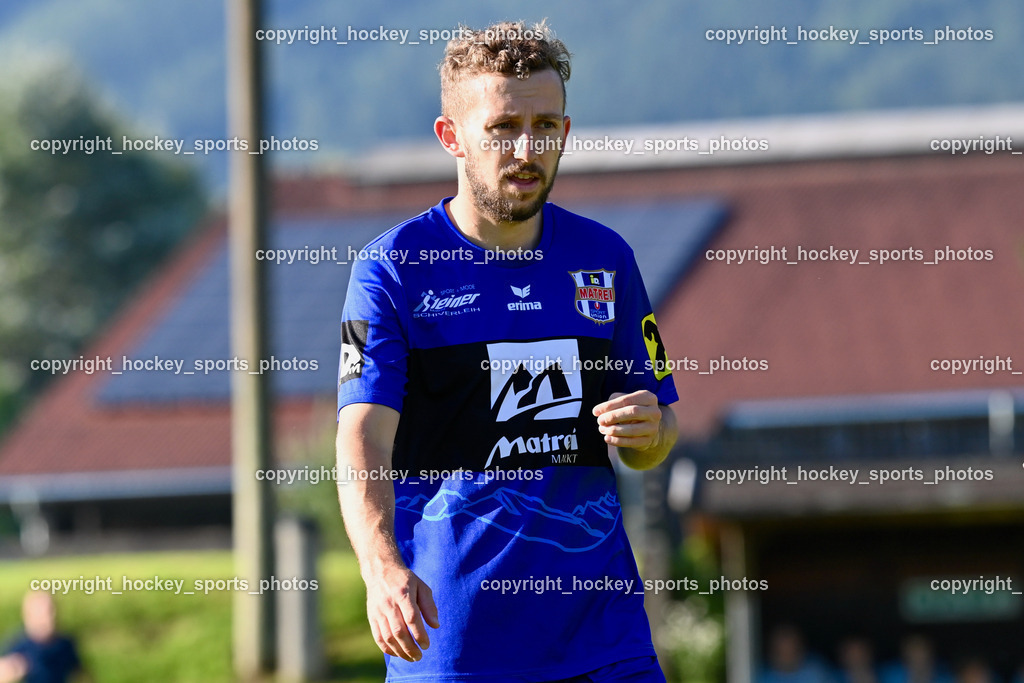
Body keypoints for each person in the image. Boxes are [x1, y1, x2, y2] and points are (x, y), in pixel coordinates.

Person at [335, 19, 679, 682]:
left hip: (604, 639)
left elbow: (659, 431)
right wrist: (381, 570)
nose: (528, 148)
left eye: (546, 126)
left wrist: (648, 430)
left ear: (566, 133)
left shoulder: (606, 259)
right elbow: (361, 436)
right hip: (455, 642)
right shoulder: (390, 270)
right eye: (502, 128)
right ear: (452, 137)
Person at [0, 591, 85, 683]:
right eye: (42, 614)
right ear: (28, 615)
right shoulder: (19, 645)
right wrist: (12, 671)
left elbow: (80, 673)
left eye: (51, 611)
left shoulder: (64, 644)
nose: (49, 618)